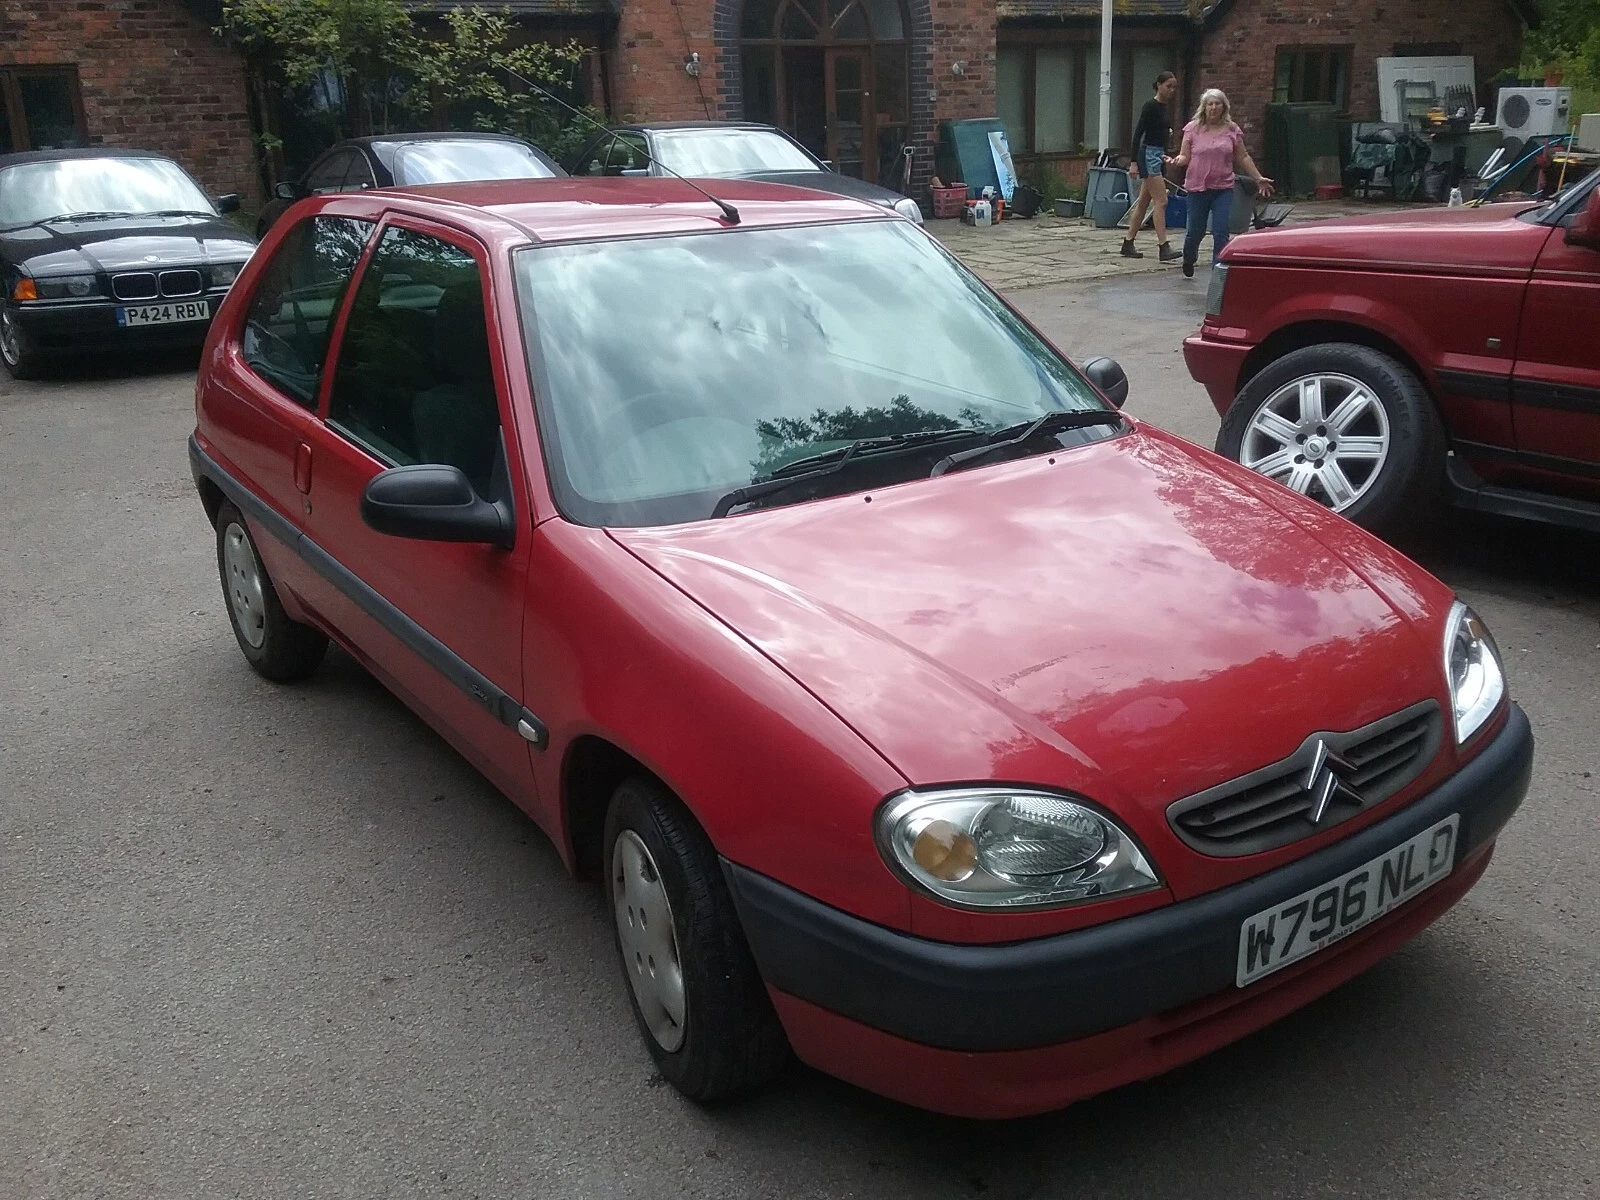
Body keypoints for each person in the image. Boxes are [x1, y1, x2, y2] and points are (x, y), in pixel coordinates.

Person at [1169, 88, 1274, 278]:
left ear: (1223, 107)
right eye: (1210, 104)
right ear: (1204, 107)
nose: (1213, 107)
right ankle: (1189, 257)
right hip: (1196, 187)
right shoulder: (1193, 128)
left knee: (1221, 230)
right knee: (1195, 231)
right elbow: (1185, 155)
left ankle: (1218, 270)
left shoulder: (1232, 129)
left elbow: (1242, 157)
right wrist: (1177, 160)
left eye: (1217, 103)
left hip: (1223, 188)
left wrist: (1258, 178)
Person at [1122, 72, 1182, 263]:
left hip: (1158, 154)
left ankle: (1128, 242)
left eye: (1174, 87)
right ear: (1158, 85)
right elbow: (1138, 133)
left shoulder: (1165, 108)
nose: (1171, 90)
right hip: (1148, 155)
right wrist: (1133, 162)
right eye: (1168, 86)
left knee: (1143, 202)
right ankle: (1163, 246)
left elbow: (1160, 132)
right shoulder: (1150, 106)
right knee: (1161, 201)